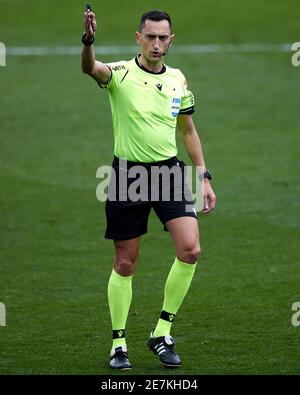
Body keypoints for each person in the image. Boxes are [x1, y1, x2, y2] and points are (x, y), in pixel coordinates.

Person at [81, 7, 216, 370]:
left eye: (163, 38)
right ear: (137, 38)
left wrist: (203, 176)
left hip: (169, 173)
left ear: (171, 40)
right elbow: (90, 69)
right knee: (125, 263)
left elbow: (187, 130)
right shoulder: (121, 74)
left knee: (190, 249)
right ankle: (118, 344)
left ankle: (161, 332)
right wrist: (88, 42)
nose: (156, 44)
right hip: (128, 175)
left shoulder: (178, 79)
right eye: (150, 37)